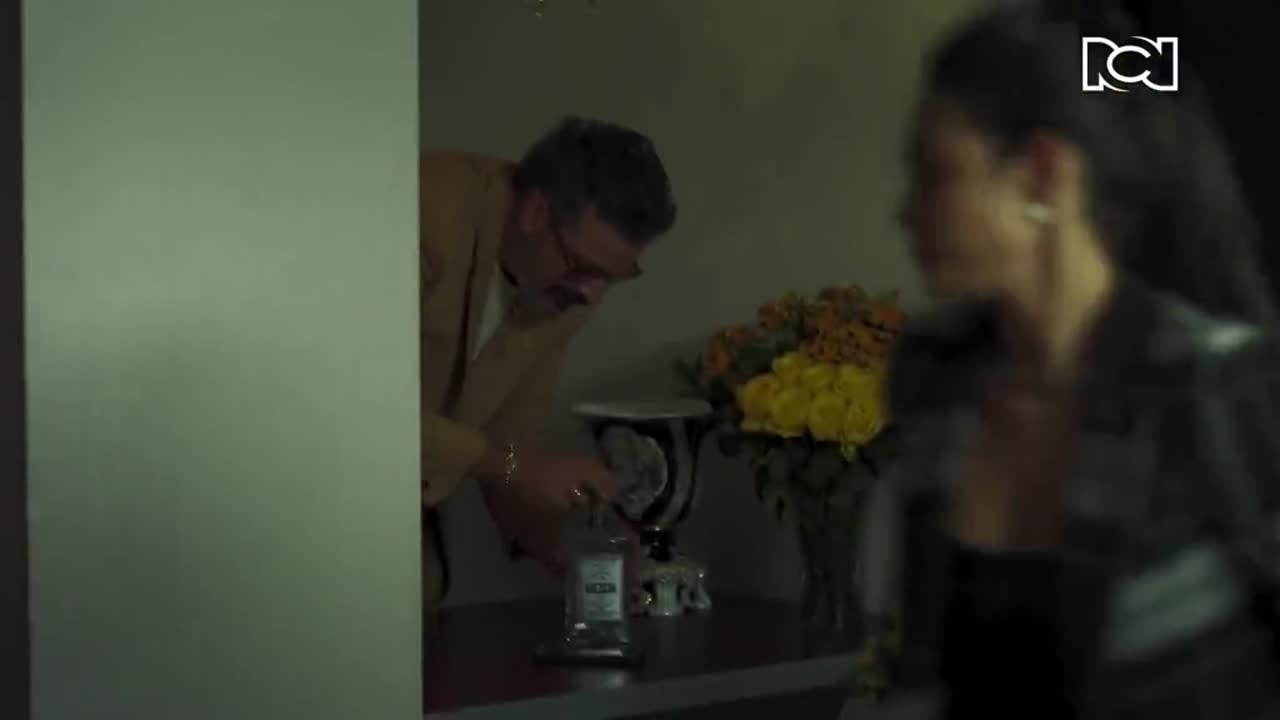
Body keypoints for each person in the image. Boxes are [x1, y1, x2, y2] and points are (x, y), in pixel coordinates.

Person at [852, 4, 1280, 719]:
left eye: (936, 175)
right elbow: (923, 670)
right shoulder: (935, 377)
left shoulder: (1212, 384)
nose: (906, 211)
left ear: (1042, 174)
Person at [420, 116, 677, 611]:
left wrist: (564, 545)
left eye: (613, 277)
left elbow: (511, 446)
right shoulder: (423, 212)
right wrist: (518, 468)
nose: (592, 295)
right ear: (536, 211)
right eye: (587, 268)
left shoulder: (564, 292)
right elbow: (349, 403)